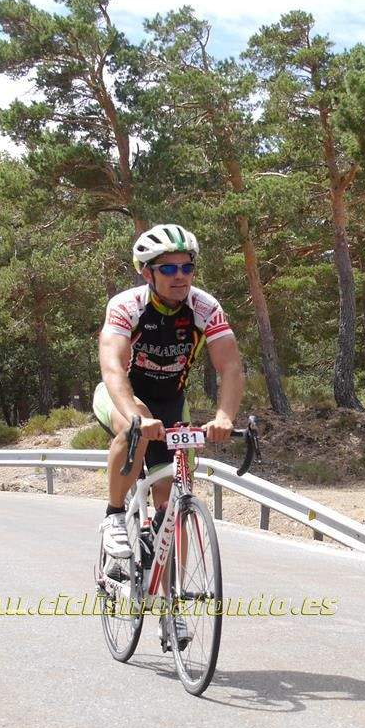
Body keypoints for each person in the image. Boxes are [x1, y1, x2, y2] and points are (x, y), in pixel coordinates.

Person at [93, 223, 245, 648]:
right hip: (121, 393)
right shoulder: (126, 307)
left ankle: (169, 607)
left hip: (171, 403)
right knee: (134, 426)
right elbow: (112, 367)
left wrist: (224, 416)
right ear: (148, 273)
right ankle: (113, 517)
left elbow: (230, 367)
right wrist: (134, 413)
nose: (181, 276)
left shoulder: (204, 307)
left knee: (171, 506)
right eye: (169, 268)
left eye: (187, 267)